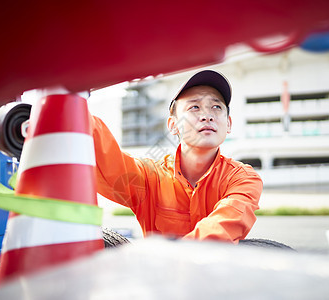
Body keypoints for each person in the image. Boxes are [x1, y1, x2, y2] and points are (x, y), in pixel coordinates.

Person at [91, 70, 262, 243]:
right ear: (173, 125)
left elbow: (225, 224)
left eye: (216, 107)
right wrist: (74, 103)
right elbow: (107, 161)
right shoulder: (151, 178)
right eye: (194, 107)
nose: (207, 116)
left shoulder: (243, 179)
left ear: (228, 124)